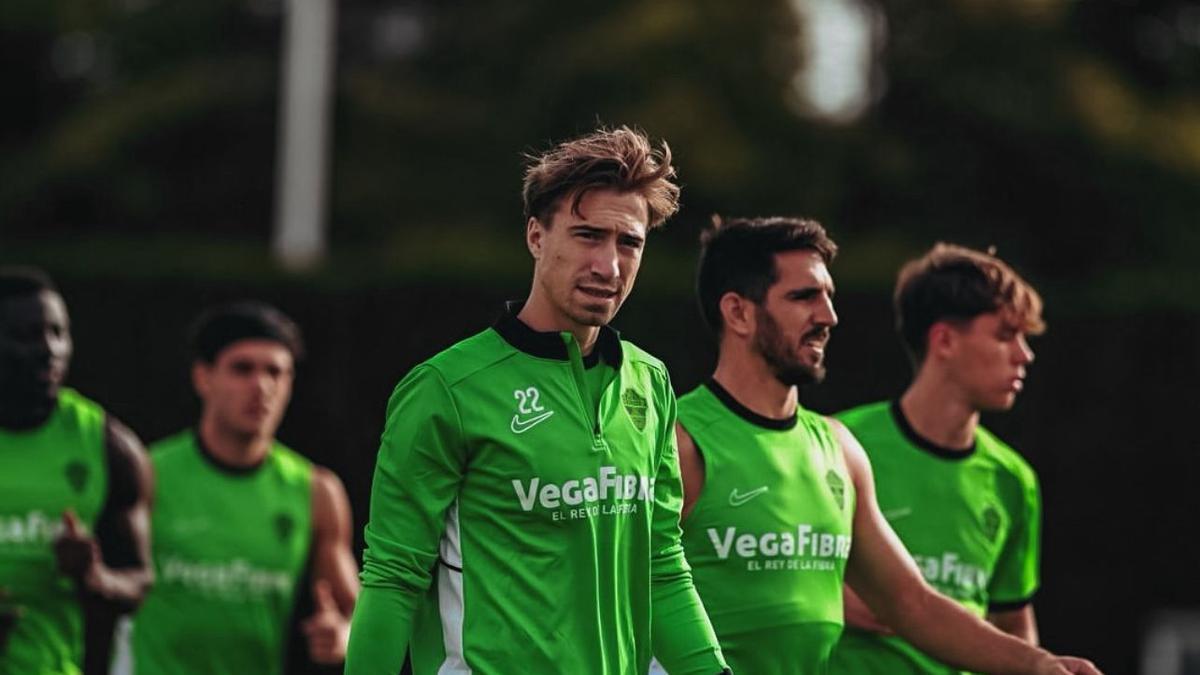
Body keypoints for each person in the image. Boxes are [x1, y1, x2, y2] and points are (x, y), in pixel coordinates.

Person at [346, 126, 730, 675]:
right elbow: (391, 577)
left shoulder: (650, 381)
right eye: (587, 236)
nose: (610, 266)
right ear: (535, 236)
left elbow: (662, 567)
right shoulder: (445, 389)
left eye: (629, 243)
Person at [668, 217, 1098, 674]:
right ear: (738, 313)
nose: (828, 317)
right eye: (803, 297)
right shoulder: (678, 441)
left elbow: (911, 603)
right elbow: (611, 599)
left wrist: (1038, 665)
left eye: (828, 297)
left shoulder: (838, 449)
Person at [830, 243, 1047, 673]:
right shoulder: (839, 445)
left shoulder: (1013, 479)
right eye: (1005, 335)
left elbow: (1013, 622)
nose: (1025, 354)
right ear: (944, 340)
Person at [122, 301, 358, 675]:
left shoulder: (316, 491)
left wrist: (342, 636)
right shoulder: (148, 474)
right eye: (242, 369)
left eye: (275, 372)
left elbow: (359, 615)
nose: (261, 386)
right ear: (203, 377)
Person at [0, 266, 153, 675]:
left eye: (58, 333)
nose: (50, 350)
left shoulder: (106, 446)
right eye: (27, 335)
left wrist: (96, 577)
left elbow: (139, 581)